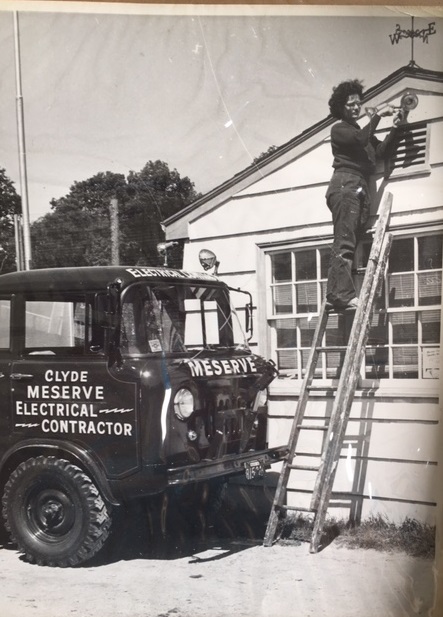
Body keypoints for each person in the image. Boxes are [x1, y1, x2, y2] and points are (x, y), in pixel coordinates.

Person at [325, 79, 401, 311]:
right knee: (345, 241)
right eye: (350, 104)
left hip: (358, 186)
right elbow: (359, 139)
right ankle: (342, 295)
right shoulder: (340, 129)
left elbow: (381, 151)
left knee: (349, 241)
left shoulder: (362, 132)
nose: (356, 107)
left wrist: (396, 127)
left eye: (358, 103)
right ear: (341, 107)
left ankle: (336, 293)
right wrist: (377, 115)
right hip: (345, 184)